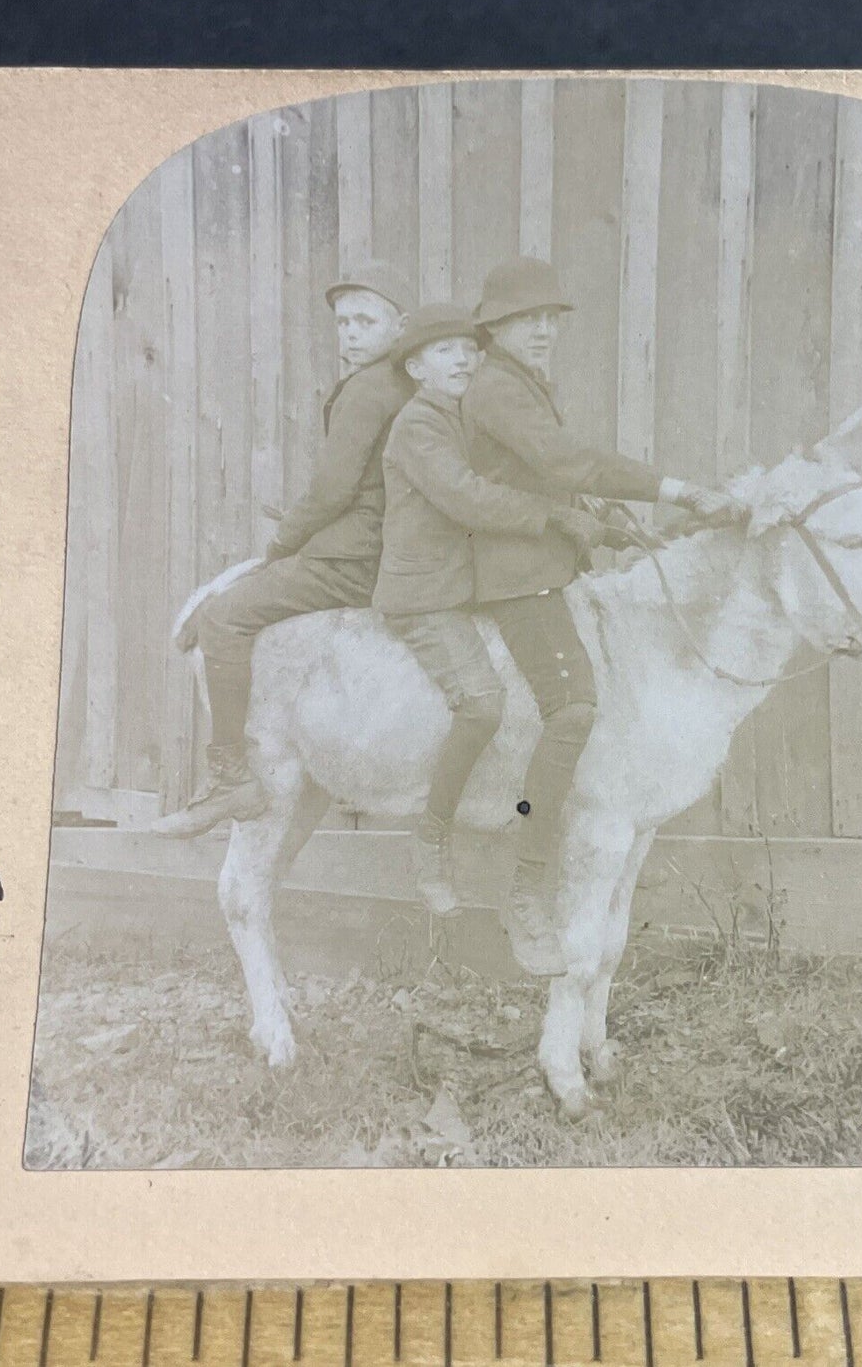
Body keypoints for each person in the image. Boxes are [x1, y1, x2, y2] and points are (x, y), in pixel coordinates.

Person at [461, 256, 742, 973]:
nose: (542, 331)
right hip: (510, 576)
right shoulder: (494, 386)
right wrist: (673, 489)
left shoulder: (523, 385)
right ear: (492, 329)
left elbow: (549, 479)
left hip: (543, 566)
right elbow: (561, 463)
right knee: (575, 710)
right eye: (526, 320)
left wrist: (603, 521)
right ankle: (526, 884)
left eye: (550, 320)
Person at [154, 261, 417, 838]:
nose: (350, 332)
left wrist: (282, 544)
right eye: (343, 322)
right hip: (375, 545)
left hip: (356, 558)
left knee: (223, 616)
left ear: (400, 327)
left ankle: (232, 780)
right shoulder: (401, 383)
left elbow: (332, 490)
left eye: (365, 320)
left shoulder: (370, 390)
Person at [374, 304, 606, 915]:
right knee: (482, 705)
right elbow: (468, 498)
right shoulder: (418, 425)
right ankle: (429, 840)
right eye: (444, 352)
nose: (463, 360)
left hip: (469, 587)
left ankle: (528, 835)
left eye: (469, 351)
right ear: (416, 368)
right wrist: (555, 516)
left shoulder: (468, 417)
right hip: (427, 596)